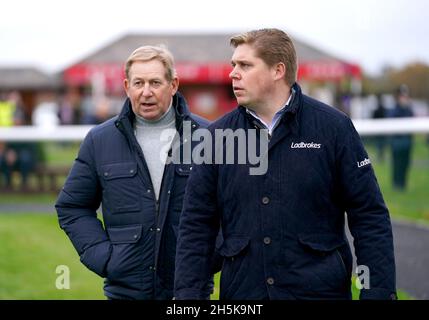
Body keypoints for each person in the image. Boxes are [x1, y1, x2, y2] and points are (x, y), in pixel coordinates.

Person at [174, 28, 397, 300]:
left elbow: (369, 217)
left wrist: (378, 292)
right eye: (233, 65)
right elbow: (196, 225)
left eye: (245, 65)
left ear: (278, 70)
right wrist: (187, 296)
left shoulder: (334, 128)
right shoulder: (215, 138)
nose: (233, 73)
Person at [55, 45, 213, 299]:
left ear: (173, 85)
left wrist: (208, 258)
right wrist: (106, 259)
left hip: (189, 292)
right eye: (138, 83)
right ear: (127, 87)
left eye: (155, 82)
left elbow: (237, 208)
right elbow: (72, 207)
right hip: (125, 292)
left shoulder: (210, 137)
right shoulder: (100, 140)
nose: (146, 92)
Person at [388, 84, 414, 191]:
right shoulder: (395, 109)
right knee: (397, 164)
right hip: (397, 142)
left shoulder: (408, 108)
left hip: (407, 142)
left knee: (405, 163)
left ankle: (403, 184)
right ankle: (396, 184)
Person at [372, 94, 387, 161]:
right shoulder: (383, 109)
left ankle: (380, 156)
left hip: (380, 130)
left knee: (380, 144)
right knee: (380, 144)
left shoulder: (378, 109)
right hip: (380, 130)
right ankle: (380, 156)